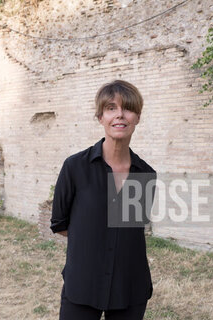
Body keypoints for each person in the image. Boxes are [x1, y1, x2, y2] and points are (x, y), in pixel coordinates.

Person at [50, 79, 156, 320]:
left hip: (130, 288)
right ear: (101, 118)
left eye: (127, 108)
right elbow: (60, 224)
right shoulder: (75, 167)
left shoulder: (145, 173)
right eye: (111, 108)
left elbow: (130, 229)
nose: (120, 115)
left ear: (137, 117)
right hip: (82, 286)